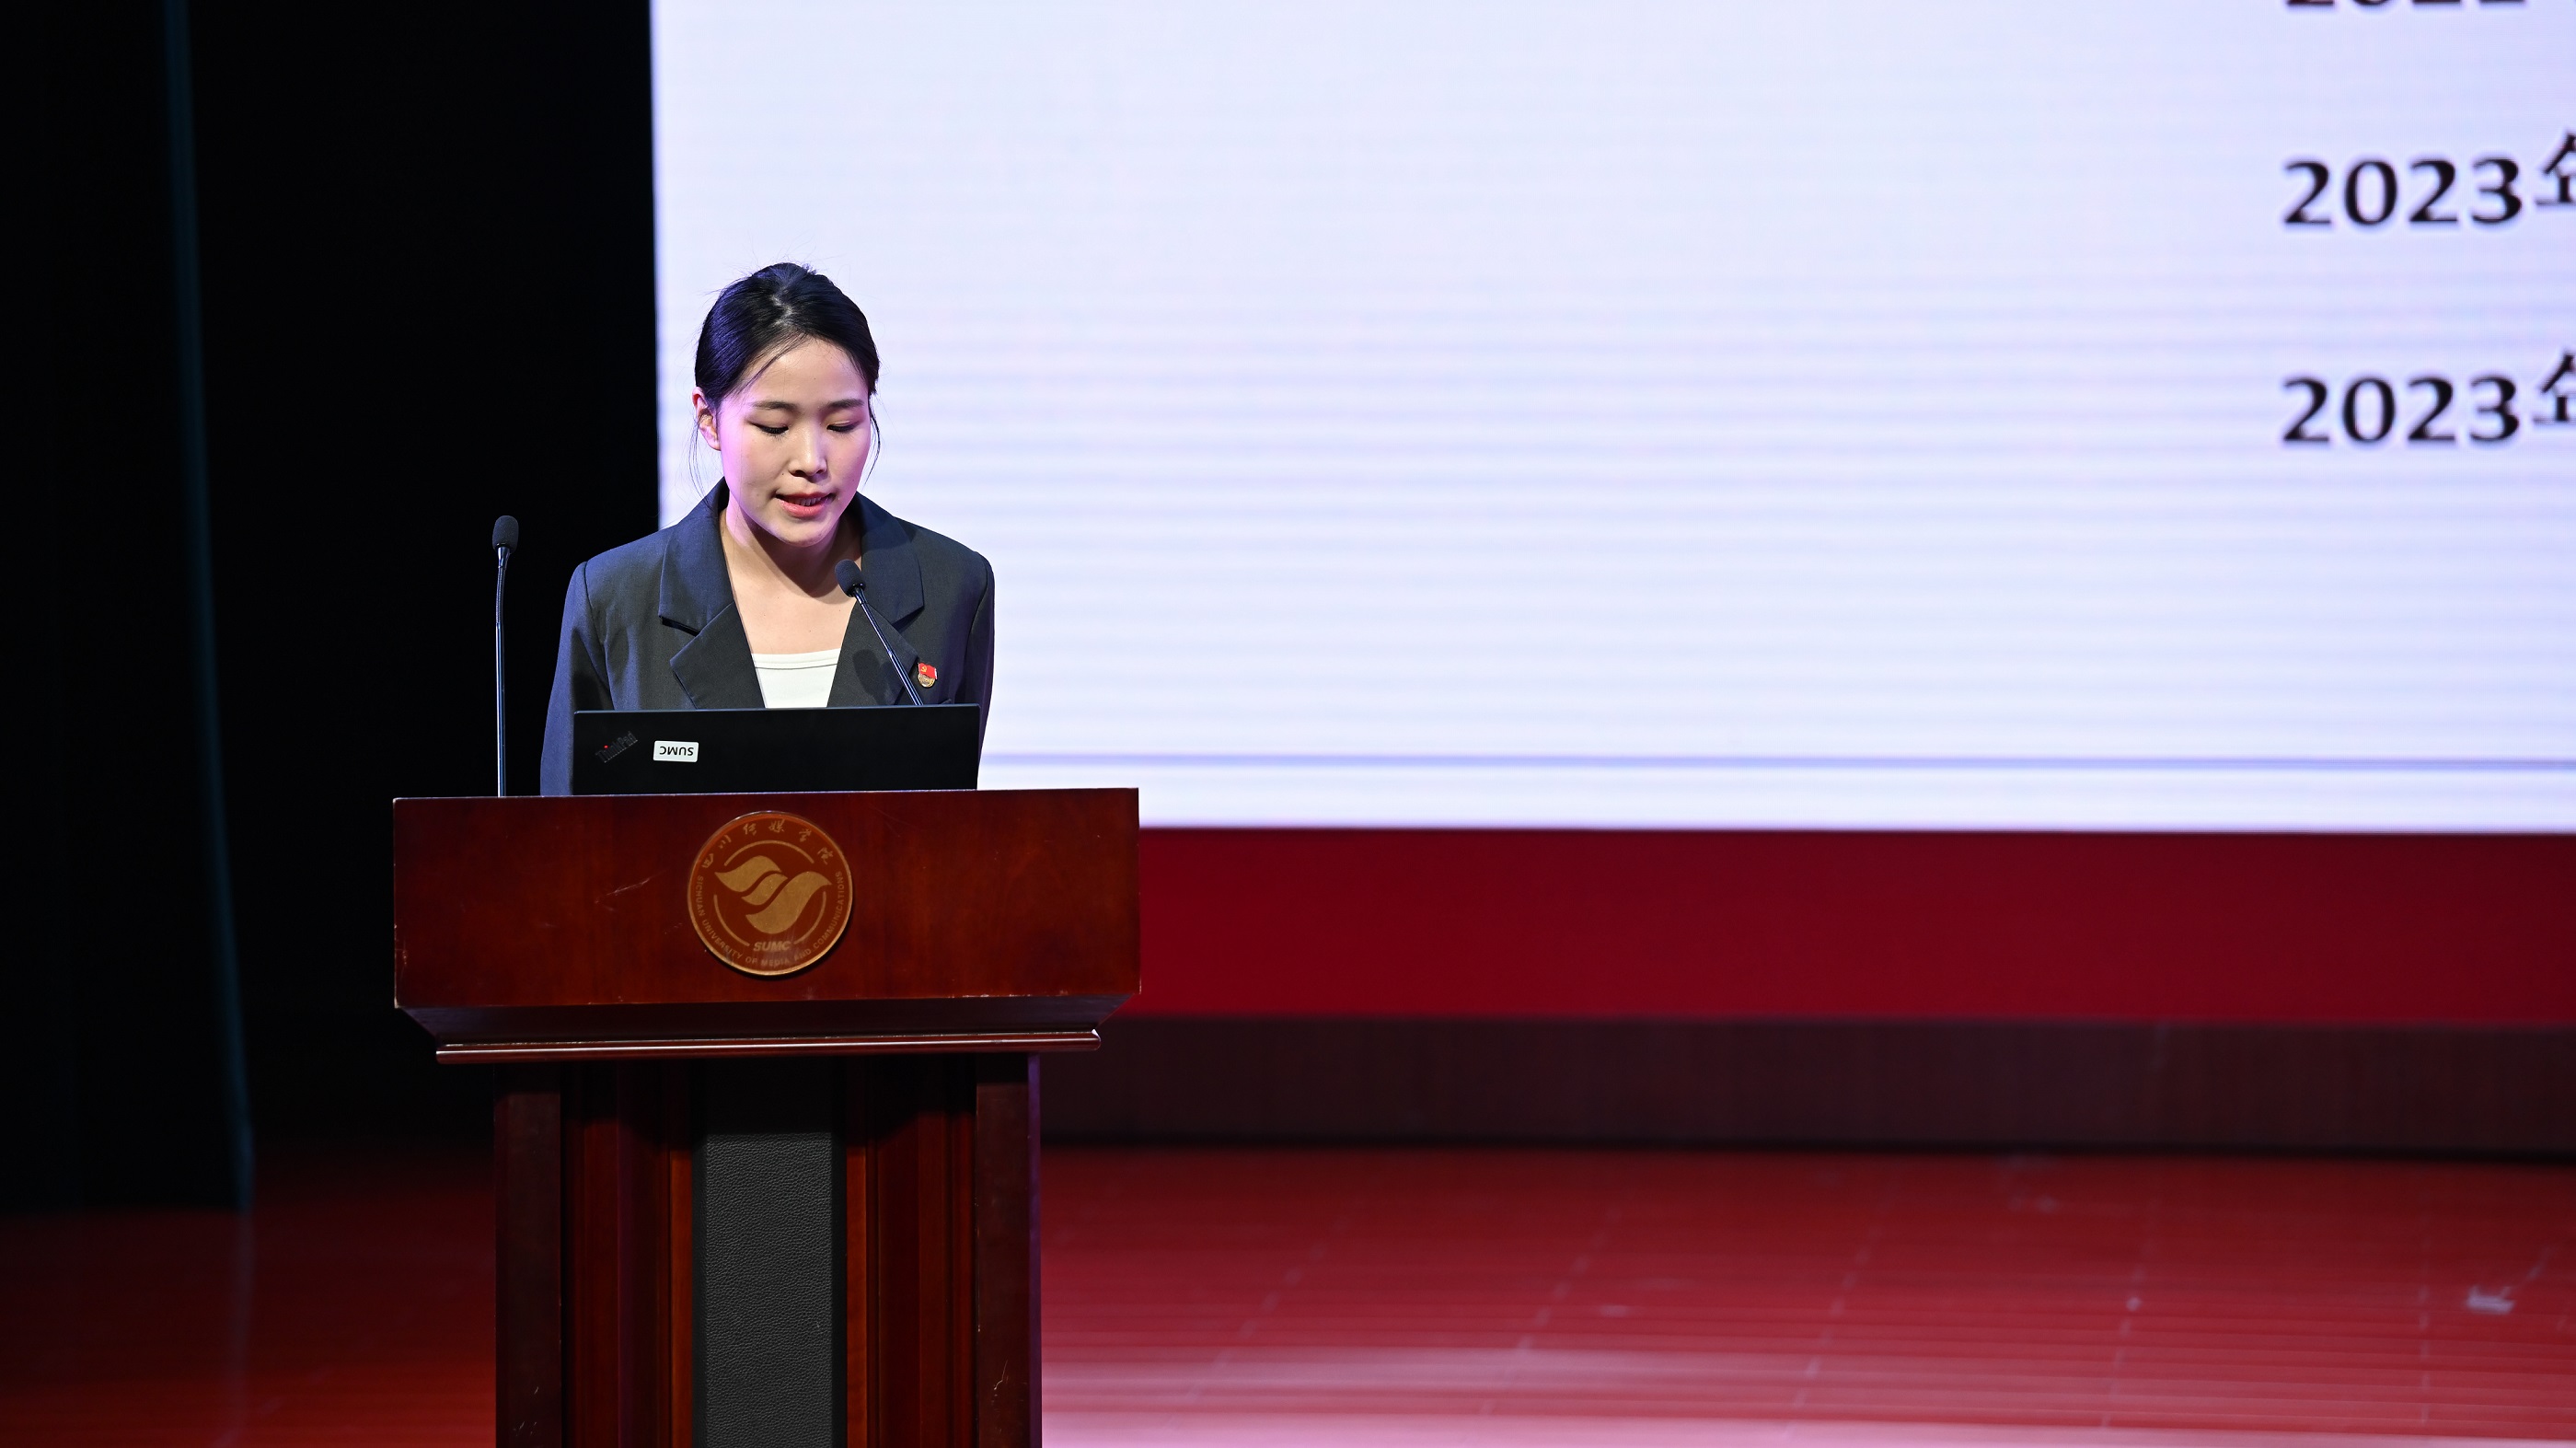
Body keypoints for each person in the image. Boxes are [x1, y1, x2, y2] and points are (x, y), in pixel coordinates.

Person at [538, 262, 994, 794]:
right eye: (775, 427)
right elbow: (565, 828)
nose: (812, 460)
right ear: (708, 419)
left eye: (842, 424)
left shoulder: (952, 586)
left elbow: (953, 822)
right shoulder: (615, 597)